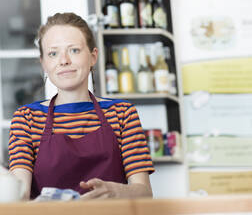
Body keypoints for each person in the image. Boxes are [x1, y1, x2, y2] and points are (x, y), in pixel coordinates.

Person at [8, 12, 154, 200]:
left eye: (74, 50)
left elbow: (144, 193)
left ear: (93, 56)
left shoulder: (122, 114)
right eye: (53, 53)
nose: (64, 61)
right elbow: (19, 197)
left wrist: (115, 191)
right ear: (44, 64)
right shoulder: (27, 119)